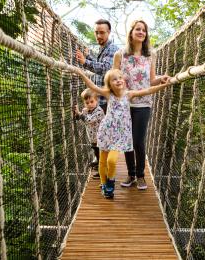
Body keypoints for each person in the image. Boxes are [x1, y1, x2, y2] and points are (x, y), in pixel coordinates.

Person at [72, 67, 171, 199]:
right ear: (109, 84)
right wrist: (80, 73)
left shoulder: (128, 94)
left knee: (112, 161)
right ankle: (104, 185)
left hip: (120, 134)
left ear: (123, 80)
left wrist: (163, 85)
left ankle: (110, 183)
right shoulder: (108, 94)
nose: (118, 80)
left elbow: (147, 90)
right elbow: (92, 86)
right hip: (106, 131)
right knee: (102, 161)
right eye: (114, 79)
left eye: (120, 77)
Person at [113, 19, 170, 190]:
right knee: (127, 140)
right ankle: (131, 175)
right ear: (131, 32)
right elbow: (113, 78)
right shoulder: (120, 55)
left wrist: (162, 78)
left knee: (138, 140)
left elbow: (152, 80)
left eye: (144, 30)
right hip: (124, 104)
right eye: (138, 29)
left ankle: (141, 175)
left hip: (143, 104)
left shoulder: (150, 55)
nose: (141, 32)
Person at [76, 19, 118, 113]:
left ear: (109, 32)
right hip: (100, 100)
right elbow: (99, 64)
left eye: (102, 33)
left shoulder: (112, 48)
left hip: (107, 101)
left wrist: (85, 61)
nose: (98, 36)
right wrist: (88, 57)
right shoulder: (103, 48)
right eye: (96, 32)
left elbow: (106, 68)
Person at [74, 88, 105, 179]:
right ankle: (100, 167)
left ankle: (103, 173)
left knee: (101, 157)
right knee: (97, 153)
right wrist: (77, 114)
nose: (90, 104)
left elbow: (88, 120)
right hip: (93, 138)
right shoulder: (86, 110)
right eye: (87, 103)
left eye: (92, 102)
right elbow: (80, 119)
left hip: (101, 139)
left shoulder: (99, 111)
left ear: (97, 101)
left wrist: (80, 114)